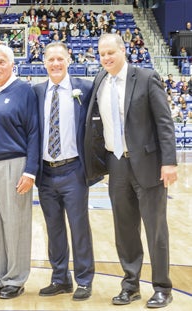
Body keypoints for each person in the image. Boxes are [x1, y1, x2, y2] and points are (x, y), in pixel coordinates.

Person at [84, 33, 178, 308]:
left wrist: (169, 162)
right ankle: (130, 284)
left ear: (123, 51)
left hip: (148, 165)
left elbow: (165, 123)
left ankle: (162, 286)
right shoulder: (100, 80)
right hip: (117, 164)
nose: (106, 58)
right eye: (102, 54)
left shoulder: (146, 77)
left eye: (110, 52)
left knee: (155, 229)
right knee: (124, 230)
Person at [0, 45, 39, 299]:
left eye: (2, 61)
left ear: (13, 64)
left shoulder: (24, 91)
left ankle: (15, 278)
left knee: (15, 224)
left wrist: (30, 170)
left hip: (14, 163)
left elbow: (34, 132)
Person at [32, 42, 95, 301]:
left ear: (69, 60)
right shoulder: (36, 92)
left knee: (79, 227)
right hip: (46, 172)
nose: (55, 64)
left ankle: (84, 280)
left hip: (74, 169)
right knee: (54, 228)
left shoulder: (86, 88)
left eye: (60, 59)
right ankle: (60, 278)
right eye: (51, 60)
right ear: (44, 62)